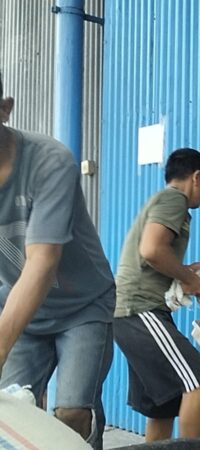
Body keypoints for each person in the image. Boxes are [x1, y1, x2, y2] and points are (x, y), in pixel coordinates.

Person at [0, 70, 115, 449]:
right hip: (19, 312)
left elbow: (42, 261)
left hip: (82, 306)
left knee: (71, 414)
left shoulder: (48, 160)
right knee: (13, 417)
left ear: (5, 109)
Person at [113, 148, 200, 441]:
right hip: (140, 309)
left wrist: (184, 269)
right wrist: (189, 278)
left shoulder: (161, 200)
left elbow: (153, 254)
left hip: (132, 312)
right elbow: (152, 249)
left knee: (163, 405)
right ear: (197, 177)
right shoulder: (174, 199)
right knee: (199, 383)